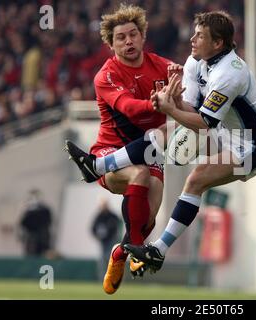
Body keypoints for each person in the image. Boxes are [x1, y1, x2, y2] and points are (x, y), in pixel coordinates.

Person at [123, 11, 256, 273]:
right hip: (227, 138)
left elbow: (205, 123)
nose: (192, 39)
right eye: (194, 32)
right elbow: (194, 111)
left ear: (217, 43)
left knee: (196, 178)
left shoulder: (230, 73)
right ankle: (100, 163)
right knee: (165, 132)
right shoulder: (198, 62)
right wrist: (175, 102)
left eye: (200, 35)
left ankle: (158, 250)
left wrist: (170, 109)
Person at [64, 4, 178, 294]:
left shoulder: (163, 67)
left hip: (152, 150)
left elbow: (190, 88)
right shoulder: (106, 75)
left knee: (148, 220)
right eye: (121, 38)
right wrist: (154, 104)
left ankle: (121, 254)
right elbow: (129, 109)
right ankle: (97, 166)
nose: (128, 41)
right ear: (111, 43)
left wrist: (183, 81)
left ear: (142, 37)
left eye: (133, 35)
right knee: (140, 172)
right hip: (111, 151)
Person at [91, 198, 121, 279]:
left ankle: (114, 277)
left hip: (112, 240)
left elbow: (118, 226)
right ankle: (103, 278)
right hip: (103, 242)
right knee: (102, 260)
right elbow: (93, 228)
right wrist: (97, 236)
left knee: (111, 259)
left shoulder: (113, 216)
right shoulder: (99, 216)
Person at [19, 189, 52, 256]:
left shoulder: (44, 210)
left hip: (42, 240)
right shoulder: (28, 211)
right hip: (31, 239)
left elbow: (47, 222)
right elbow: (23, 223)